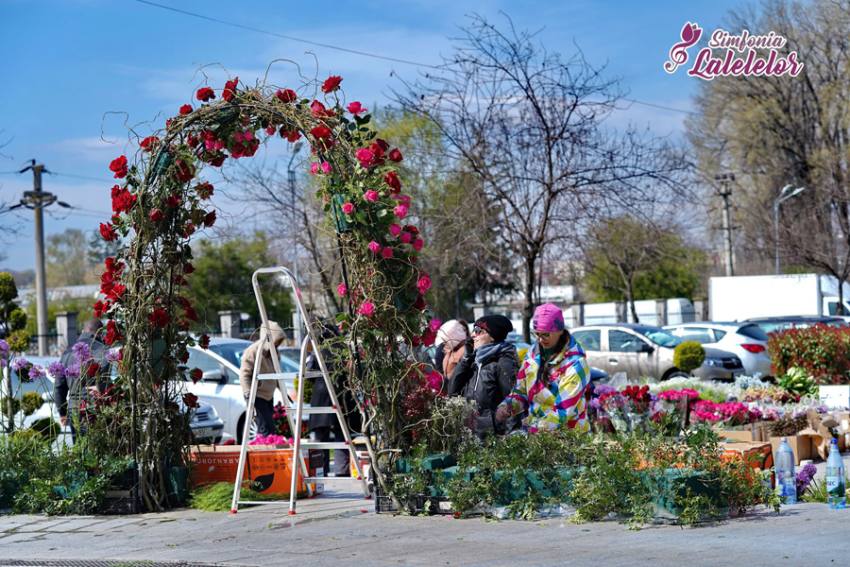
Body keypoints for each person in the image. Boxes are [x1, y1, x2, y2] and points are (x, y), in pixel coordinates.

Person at [495, 303, 591, 433]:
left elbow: (563, 411)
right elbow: (521, 392)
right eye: (537, 334)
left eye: (546, 334)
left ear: (560, 331)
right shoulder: (532, 355)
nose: (540, 340)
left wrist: (533, 430)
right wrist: (508, 406)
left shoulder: (575, 363)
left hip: (569, 436)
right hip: (537, 433)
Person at [448, 314, 519, 438]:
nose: (473, 335)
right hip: (469, 435)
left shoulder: (503, 363)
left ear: (492, 336)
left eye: (478, 331)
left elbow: (512, 402)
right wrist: (465, 359)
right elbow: (452, 392)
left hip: (491, 439)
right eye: (473, 330)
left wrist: (510, 439)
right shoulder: (473, 361)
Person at [306, 321, 359, 477]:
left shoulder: (318, 351)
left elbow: (309, 373)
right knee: (341, 433)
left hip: (321, 395)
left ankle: (321, 470)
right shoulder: (343, 350)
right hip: (341, 394)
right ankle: (341, 469)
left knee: (320, 435)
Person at [55, 318, 109, 442]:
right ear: (100, 333)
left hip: (74, 407)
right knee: (98, 448)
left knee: (79, 448)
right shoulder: (103, 350)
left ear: (83, 331)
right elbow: (105, 383)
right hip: (96, 407)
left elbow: (59, 386)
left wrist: (62, 412)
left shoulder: (68, 352)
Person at [239, 321, 286, 437]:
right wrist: (248, 393)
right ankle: (264, 447)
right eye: (276, 341)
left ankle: (268, 446)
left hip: (269, 395)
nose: (277, 344)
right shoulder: (253, 351)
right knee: (265, 428)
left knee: (270, 427)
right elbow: (245, 373)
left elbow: (276, 372)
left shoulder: (275, 352)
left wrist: (283, 391)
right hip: (257, 395)